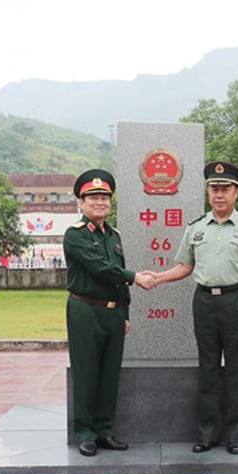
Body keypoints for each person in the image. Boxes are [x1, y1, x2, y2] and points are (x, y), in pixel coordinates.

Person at [152, 161, 238, 455]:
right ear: (208, 192)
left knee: (237, 368)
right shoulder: (195, 228)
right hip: (204, 301)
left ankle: (235, 433)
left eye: (225, 189)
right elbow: (185, 266)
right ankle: (207, 432)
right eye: (214, 189)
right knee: (208, 368)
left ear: (236, 193)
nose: (219, 194)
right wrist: (159, 278)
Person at [63, 169, 154, 457]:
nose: (100, 203)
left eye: (104, 198)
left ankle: (104, 430)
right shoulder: (74, 235)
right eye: (93, 198)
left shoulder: (114, 235)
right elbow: (100, 267)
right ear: (81, 202)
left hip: (113, 313)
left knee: (109, 374)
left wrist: (125, 311)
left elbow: (116, 277)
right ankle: (86, 433)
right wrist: (135, 276)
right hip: (85, 310)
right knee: (87, 372)